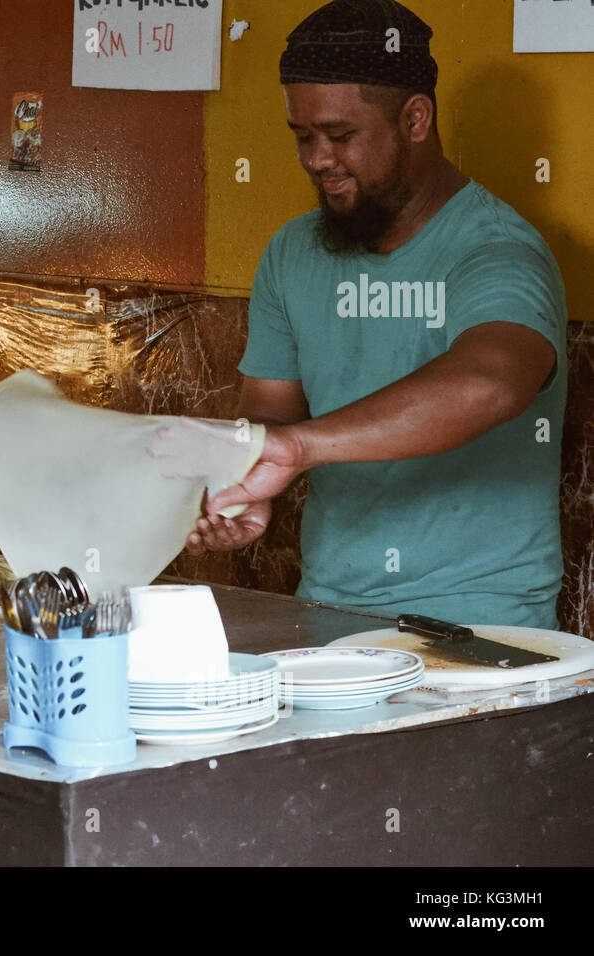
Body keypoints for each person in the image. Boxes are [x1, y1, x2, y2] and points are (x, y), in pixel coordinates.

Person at [185, 0, 568, 629]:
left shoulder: (497, 250)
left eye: (340, 136)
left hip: (480, 625)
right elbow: (269, 417)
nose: (316, 159)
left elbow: (492, 380)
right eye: (303, 137)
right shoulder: (291, 253)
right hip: (327, 607)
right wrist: (243, 489)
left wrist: (298, 448)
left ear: (415, 118)